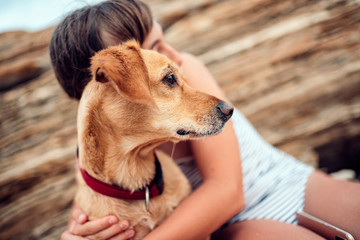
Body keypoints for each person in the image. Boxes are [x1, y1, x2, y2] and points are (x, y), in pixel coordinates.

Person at [49, 0, 360, 239]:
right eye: (155, 49)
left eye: (164, 38)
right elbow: (90, 207)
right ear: (114, 80)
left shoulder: (188, 70)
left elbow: (227, 190)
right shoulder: (97, 150)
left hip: (283, 182)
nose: (174, 54)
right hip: (229, 226)